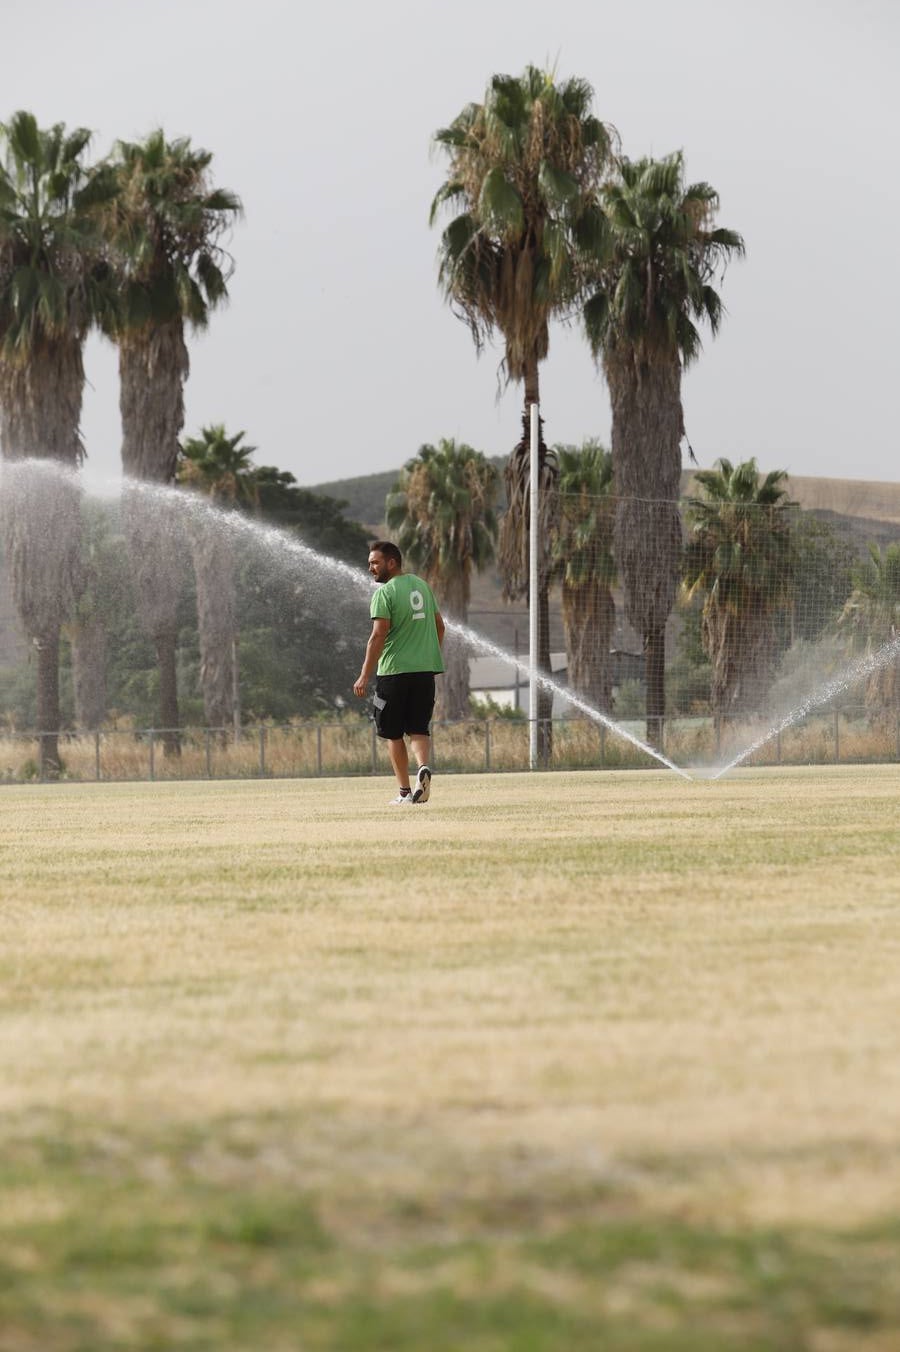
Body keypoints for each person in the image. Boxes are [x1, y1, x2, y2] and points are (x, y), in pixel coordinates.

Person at [353, 540, 445, 805]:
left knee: (392, 733)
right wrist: (428, 655)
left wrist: (364, 675)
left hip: (393, 673)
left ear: (391, 563)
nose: (370, 568)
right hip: (424, 672)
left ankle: (405, 792)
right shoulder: (422, 586)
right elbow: (440, 626)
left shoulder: (385, 593)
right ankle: (423, 767)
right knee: (418, 729)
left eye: (375, 562)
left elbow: (378, 635)